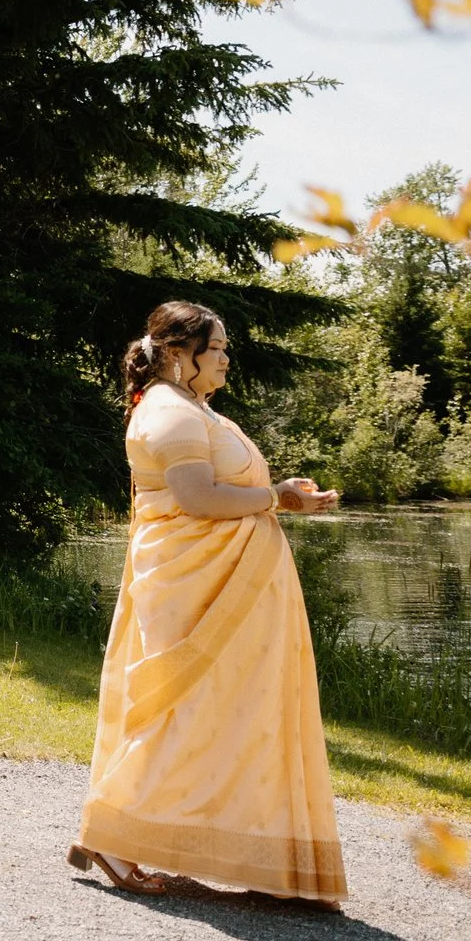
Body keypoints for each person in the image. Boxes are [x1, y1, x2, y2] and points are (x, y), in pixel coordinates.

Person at [72, 301, 346, 906]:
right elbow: (197, 498)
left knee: (237, 714)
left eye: (223, 348)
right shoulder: (169, 413)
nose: (225, 358)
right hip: (192, 586)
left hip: (230, 585)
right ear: (176, 353)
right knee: (188, 710)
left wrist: (280, 493)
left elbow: (228, 488)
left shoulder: (197, 409)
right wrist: (276, 499)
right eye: (215, 347)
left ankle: (261, 853)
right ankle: (116, 832)